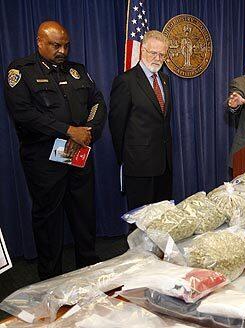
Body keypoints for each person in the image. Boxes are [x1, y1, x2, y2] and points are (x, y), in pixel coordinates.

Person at [4, 21, 106, 280]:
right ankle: (51, 279)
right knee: (48, 220)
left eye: (65, 45)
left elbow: (97, 102)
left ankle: (88, 268)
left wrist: (88, 131)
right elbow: (24, 114)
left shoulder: (77, 71)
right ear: (39, 42)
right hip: (44, 160)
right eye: (55, 45)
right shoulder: (21, 71)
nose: (62, 50)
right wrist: (69, 130)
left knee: (84, 213)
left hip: (78, 152)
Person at [109, 30, 172, 212]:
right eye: (154, 53)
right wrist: (125, 159)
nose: (158, 58)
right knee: (140, 221)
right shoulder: (125, 81)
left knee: (163, 218)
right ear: (143, 50)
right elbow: (117, 125)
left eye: (162, 54)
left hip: (165, 165)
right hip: (139, 166)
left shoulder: (166, 80)